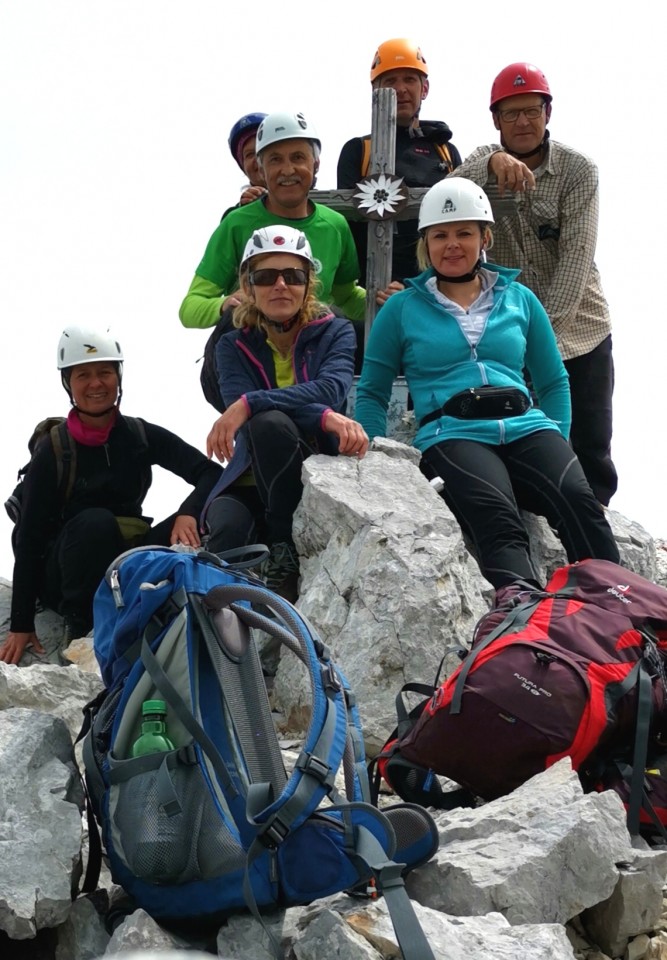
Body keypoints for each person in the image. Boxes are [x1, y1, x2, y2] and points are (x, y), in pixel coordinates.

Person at [354, 178, 620, 590]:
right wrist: (376, 457)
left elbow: (553, 382)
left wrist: (558, 443)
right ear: (426, 243)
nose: (452, 244)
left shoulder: (521, 299)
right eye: (440, 235)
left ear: (485, 238)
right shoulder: (402, 308)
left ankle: (620, 612)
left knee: (578, 501)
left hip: (527, 426)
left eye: (464, 232)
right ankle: (522, 627)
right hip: (452, 431)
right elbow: (372, 391)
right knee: (498, 521)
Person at [0, 325, 223, 665]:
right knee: (95, 522)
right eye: (83, 375)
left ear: (118, 377)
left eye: (105, 372)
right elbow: (29, 537)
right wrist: (21, 624)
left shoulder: (138, 434)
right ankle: (82, 627)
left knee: (208, 517)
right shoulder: (54, 449)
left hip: (121, 559)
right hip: (64, 575)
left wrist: (188, 512)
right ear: (68, 384)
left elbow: (210, 473)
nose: (96, 383)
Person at [453, 62, 617, 506]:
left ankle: (596, 545)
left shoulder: (578, 169)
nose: (523, 122)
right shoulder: (482, 165)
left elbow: (576, 261)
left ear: (548, 113)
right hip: (510, 331)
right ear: (496, 120)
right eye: (511, 113)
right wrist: (490, 162)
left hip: (577, 329)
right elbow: (443, 194)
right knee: (522, 436)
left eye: (532, 111)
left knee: (589, 443)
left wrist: (537, 334)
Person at [203, 225, 368, 602]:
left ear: (308, 283)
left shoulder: (336, 330)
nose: (280, 285)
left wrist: (248, 404)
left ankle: (284, 548)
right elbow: (243, 397)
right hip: (248, 478)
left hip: (311, 468)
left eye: (292, 276)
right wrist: (324, 414)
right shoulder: (231, 345)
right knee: (225, 532)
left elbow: (333, 387)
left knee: (268, 421)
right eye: (265, 276)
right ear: (248, 286)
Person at [179, 111, 366, 335]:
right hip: (249, 358)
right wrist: (224, 304)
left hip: (313, 357)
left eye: (298, 157)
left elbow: (346, 296)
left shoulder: (335, 225)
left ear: (315, 165)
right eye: (275, 159)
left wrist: (394, 303)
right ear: (262, 170)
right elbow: (190, 307)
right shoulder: (237, 224)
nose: (287, 170)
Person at [337, 38, 462, 286]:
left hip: (436, 289)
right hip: (373, 289)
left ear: (424, 89)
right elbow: (347, 228)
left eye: (410, 79)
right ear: (376, 91)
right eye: (390, 81)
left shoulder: (446, 152)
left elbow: (458, 221)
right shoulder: (358, 151)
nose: (401, 88)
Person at [223, 112, 268, 217]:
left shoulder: (311, 204)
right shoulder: (233, 218)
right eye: (249, 154)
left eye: (262, 150)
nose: (257, 159)